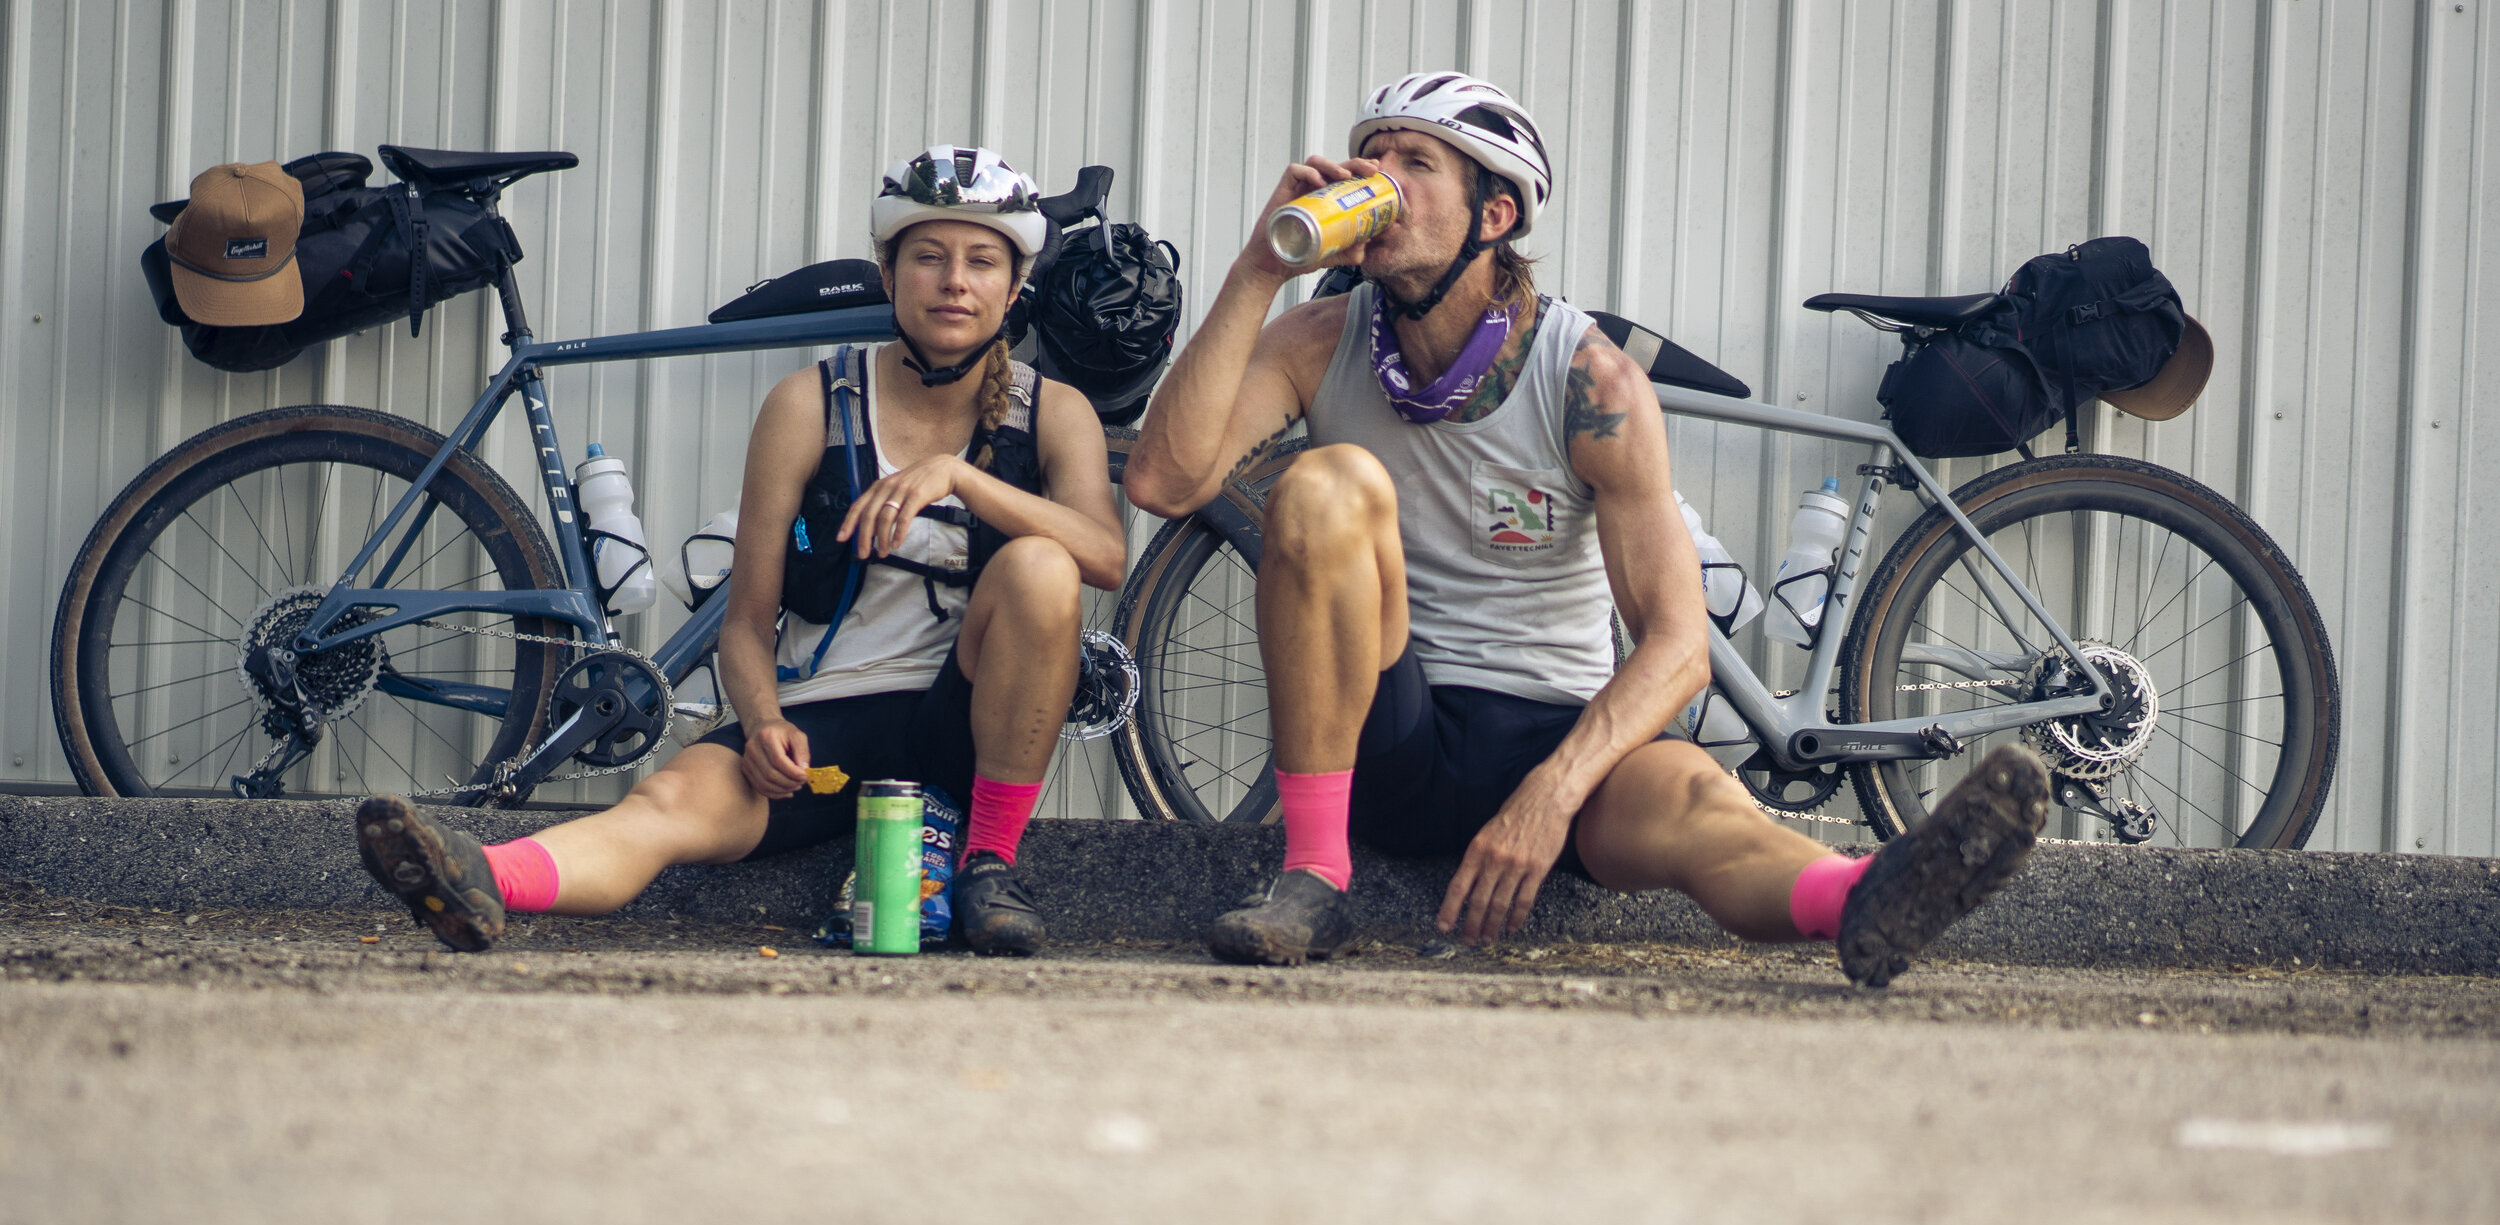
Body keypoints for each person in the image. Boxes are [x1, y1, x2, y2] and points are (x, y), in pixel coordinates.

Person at [1124, 74, 2049, 985]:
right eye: (1371, 157)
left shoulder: (1590, 382)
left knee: (1695, 797)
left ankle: (1862, 897)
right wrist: (1256, 273)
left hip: (1554, 737)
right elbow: (1166, 479)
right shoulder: (1317, 339)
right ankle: (1315, 877)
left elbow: (1680, 643)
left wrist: (1552, 792)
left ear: (1494, 214)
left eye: (1417, 162)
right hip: (1387, 727)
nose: (1380, 178)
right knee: (1326, 484)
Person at [358, 146, 1126, 958]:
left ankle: (989, 865)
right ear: (889, 270)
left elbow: (1103, 555)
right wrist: (760, 724)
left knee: (1040, 568)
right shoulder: (811, 403)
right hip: (819, 725)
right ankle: (479, 875)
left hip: (961, 722)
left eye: (981, 262)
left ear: (1013, 286)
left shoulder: (1053, 412)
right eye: (929, 257)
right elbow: (748, 620)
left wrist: (962, 483)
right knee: (664, 806)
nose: (954, 282)